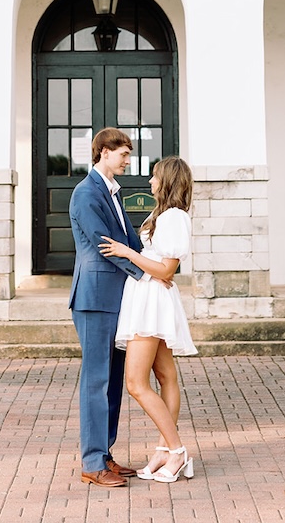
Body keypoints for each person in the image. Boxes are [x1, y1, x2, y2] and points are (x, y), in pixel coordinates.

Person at [98, 155, 198, 484]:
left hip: (152, 301)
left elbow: (168, 270)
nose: (150, 182)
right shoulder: (162, 215)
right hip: (147, 297)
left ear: (167, 181)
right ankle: (165, 450)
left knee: (135, 383)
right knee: (165, 375)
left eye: (155, 177)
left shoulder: (174, 217)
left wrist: (128, 253)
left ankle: (178, 450)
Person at [68, 127, 147, 488]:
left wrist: (154, 263)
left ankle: (106, 455)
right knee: (97, 380)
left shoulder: (114, 192)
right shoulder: (86, 193)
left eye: (129, 154)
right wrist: (144, 275)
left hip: (118, 298)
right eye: (123, 154)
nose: (128, 160)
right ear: (103, 153)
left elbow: (129, 241)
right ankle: (91, 462)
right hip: (95, 298)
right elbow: (104, 243)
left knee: (114, 380)